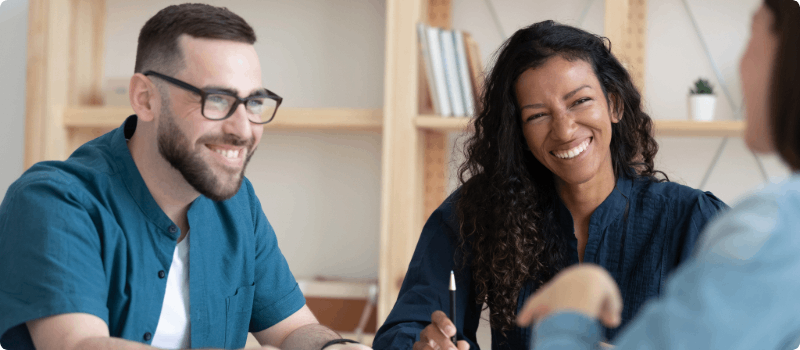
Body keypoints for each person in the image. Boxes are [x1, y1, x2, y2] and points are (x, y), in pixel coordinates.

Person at [0, 4, 369, 350]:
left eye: (254, 102)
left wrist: (336, 347)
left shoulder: (237, 204)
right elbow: (81, 345)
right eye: (218, 99)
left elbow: (293, 329)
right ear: (145, 98)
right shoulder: (54, 202)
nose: (243, 129)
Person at [373, 21, 729, 350]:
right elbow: (404, 330)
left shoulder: (693, 219)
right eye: (538, 115)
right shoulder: (481, 210)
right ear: (519, 133)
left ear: (614, 105)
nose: (564, 130)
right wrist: (425, 344)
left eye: (580, 101)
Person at [516, 0, 800, 349]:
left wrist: (569, 308)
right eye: (537, 115)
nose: (740, 67)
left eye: (753, 38)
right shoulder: (484, 214)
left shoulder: (770, 230)